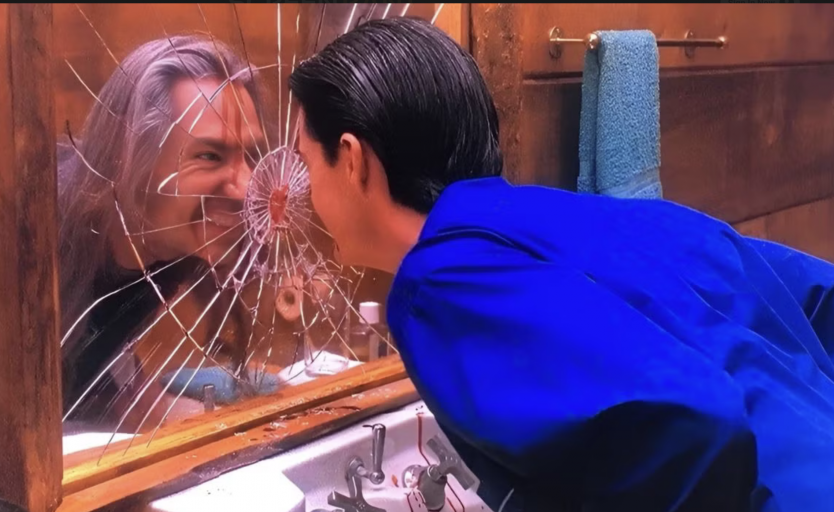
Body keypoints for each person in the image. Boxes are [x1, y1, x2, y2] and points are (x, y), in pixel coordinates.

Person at [289, 16, 833, 512]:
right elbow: (818, 294)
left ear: (353, 160)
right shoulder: (595, 217)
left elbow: (698, 423)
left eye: (307, 164)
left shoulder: (438, 285)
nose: (305, 196)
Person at [57, 35, 266, 433]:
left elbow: (101, 351)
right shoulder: (41, 234)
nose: (246, 189)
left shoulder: (176, 244)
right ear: (130, 154)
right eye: (210, 156)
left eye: (252, 156)